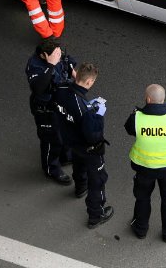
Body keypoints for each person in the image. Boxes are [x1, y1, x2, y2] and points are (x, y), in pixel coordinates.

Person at [124, 84, 166, 243]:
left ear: (147, 99)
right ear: (163, 99)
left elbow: (129, 129)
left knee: (142, 198)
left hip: (144, 167)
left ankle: (140, 229)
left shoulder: (137, 118)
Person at [54, 62, 113, 228]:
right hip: (87, 147)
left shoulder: (62, 89)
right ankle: (96, 214)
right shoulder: (83, 108)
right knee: (98, 180)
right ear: (89, 82)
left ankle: (80, 188)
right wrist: (98, 116)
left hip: (70, 140)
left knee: (78, 165)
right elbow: (92, 136)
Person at [26, 39, 75, 185]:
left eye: (59, 54)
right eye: (55, 56)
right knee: (51, 140)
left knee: (66, 131)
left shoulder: (58, 53)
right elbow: (38, 88)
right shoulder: (35, 65)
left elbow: (69, 64)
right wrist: (50, 65)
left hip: (63, 103)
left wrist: (75, 75)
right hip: (46, 109)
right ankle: (51, 168)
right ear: (44, 56)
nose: (59, 57)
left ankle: (65, 157)